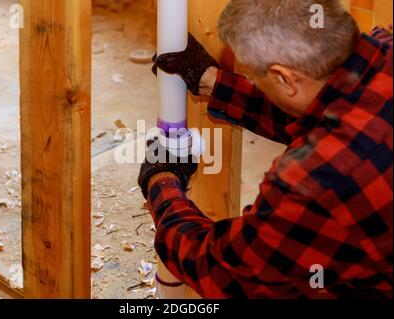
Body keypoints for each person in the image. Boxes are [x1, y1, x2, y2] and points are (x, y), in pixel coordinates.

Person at [138, 0, 393, 298]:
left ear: (284, 78)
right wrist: (213, 81)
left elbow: (220, 270)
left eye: (257, 78)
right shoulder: (383, 47)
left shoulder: (315, 181)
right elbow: (330, 110)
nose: (255, 82)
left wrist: (162, 181)